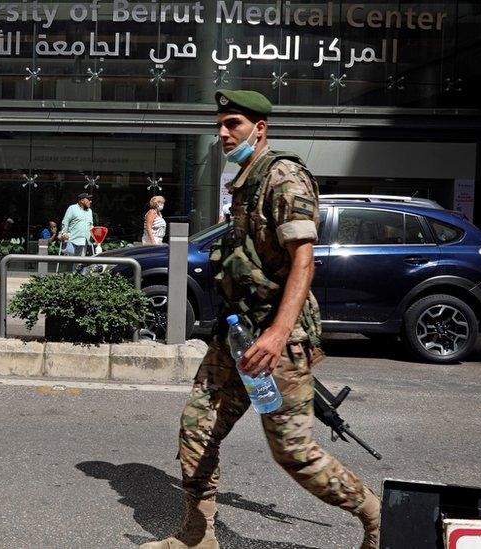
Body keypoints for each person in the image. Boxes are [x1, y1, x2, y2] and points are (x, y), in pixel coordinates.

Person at [141, 90, 380, 549]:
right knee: (196, 427)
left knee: (293, 451)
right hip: (235, 335)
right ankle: (197, 535)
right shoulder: (244, 181)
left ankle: (374, 515)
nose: (223, 132)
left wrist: (277, 334)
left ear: (260, 128)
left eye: (233, 123)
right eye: (220, 124)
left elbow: (303, 262)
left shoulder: (284, 177)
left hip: (277, 342)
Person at [60, 192, 94, 272]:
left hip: (84, 241)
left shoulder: (90, 211)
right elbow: (65, 222)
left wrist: (93, 234)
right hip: (72, 240)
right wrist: (64, 234)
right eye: (88, 199)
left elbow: (91, 225)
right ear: (82, 200)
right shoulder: (72, 208)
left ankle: (79, 279)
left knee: (80, 263)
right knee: (71, 261)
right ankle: (69, 278)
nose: (90, 201)